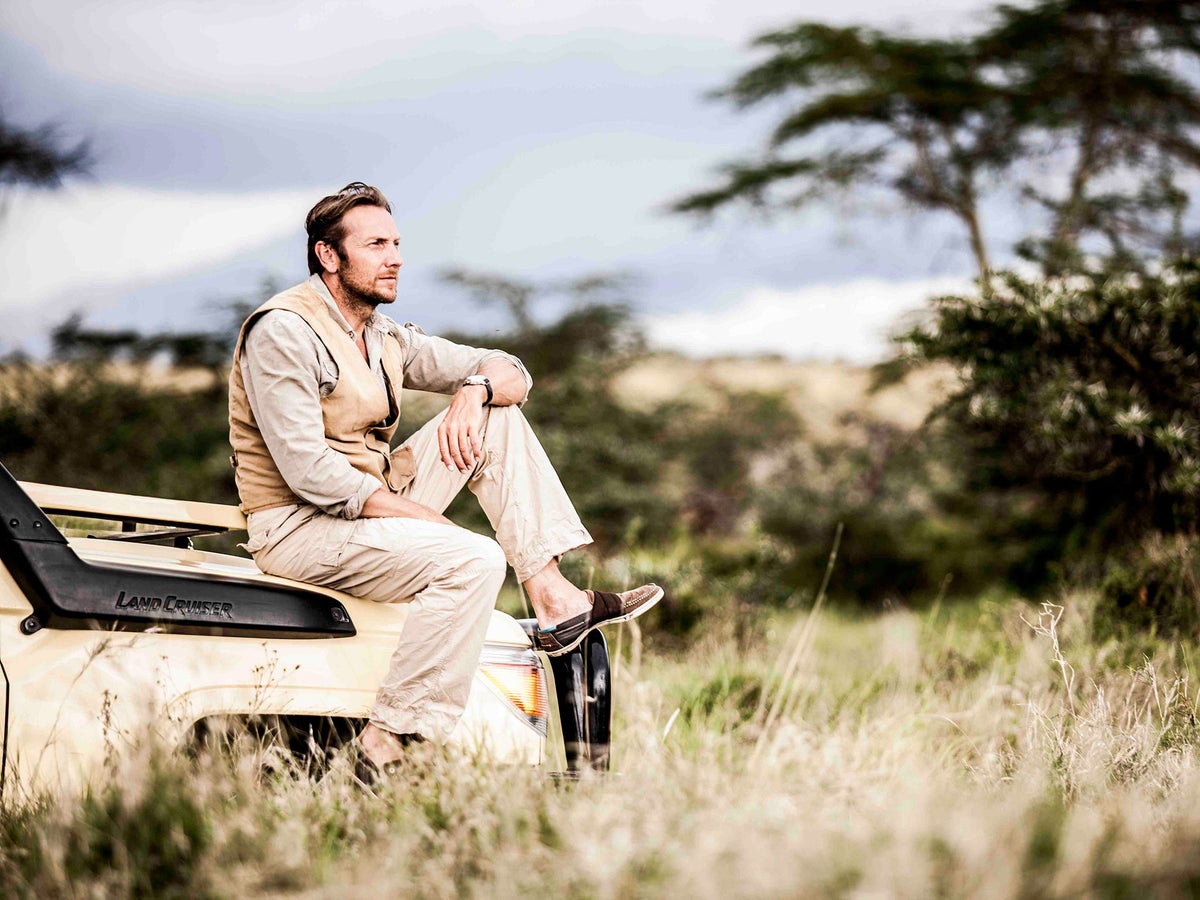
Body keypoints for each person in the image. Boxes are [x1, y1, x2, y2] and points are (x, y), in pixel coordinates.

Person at [228, 182, 662, 772]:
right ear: (329, 256)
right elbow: (308, 471)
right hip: (301, 526)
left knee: (496, 416)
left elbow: (513, 374)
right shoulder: (282, 329)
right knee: (474, 558)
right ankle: (388, 743)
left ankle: (557, 601)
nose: (396, 257)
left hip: (369, 500)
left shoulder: (382, 335)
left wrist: (474, 392)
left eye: (398, 243)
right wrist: (418, 515)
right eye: (377, 244)